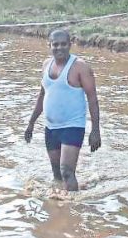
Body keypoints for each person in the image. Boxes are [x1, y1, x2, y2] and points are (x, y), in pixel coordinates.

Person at [24, 29, 102, 192]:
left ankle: (74, 209)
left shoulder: (80, 67)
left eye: (63, 44)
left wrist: (95, 131)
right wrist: (31, 123)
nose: (59, 48)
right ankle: (60, 207)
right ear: (49, 45)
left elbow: (93, 99)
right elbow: (42, 95)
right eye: (55, 44)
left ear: (70, 45)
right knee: (57, 174)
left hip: (73, 126)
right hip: (51, 127)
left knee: (67, 172)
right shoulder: (46, 65)